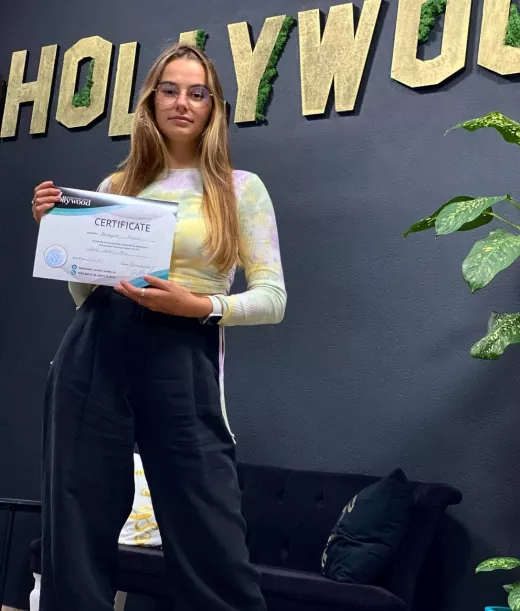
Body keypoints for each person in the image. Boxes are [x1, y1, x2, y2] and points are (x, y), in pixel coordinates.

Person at [31, 42, 286, 611]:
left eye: (198, 93)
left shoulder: (240, 188)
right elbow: (86, 293)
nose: (182, 102)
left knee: (207, 516)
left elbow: (273, 299)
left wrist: (200, 307)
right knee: (77, 510)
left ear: (214, 107)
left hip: (184, 345)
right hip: (96, 343)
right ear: (150, 101)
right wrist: (60, 233)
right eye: (169, 90)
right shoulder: (116, 185)